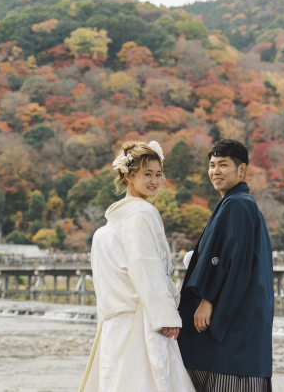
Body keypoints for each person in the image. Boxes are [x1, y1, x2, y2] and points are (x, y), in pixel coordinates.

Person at [80, 140, 195, 392]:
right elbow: (146, 266)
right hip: (140, 318)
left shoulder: (107, 228)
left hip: (113, 323)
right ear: (128, 175)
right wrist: (165, 314)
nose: (154, 180)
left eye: (158, 174)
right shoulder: (142, 213)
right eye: (147, 174)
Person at [177, 139, 274, 391]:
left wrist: (207, 300)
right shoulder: (237, 202)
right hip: (251, 310)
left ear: (241, 170)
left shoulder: (237, 203)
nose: (215, 171)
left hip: (234, 310)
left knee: (222, 369)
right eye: (211, 165)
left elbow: (233, 259)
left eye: (223, 165)